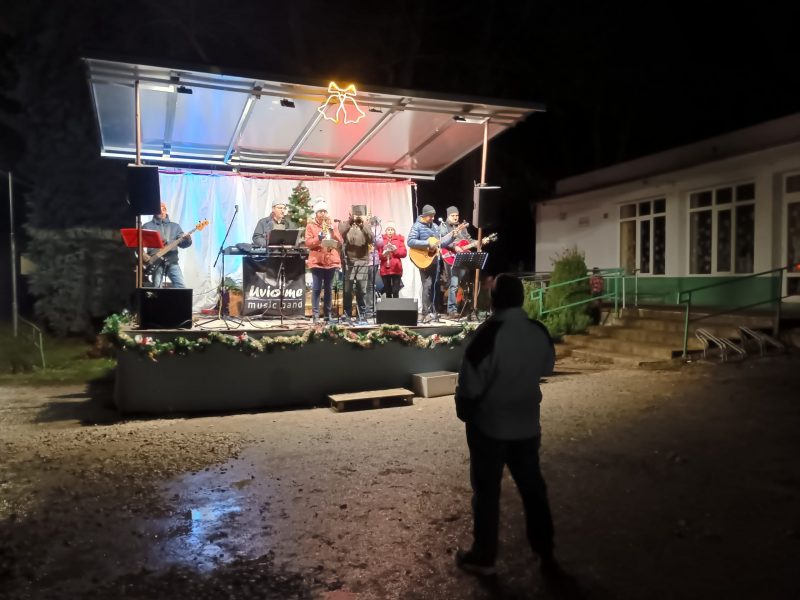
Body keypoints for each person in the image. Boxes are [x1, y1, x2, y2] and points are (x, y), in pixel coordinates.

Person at [454, 274, 562, 581]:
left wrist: (466, 412)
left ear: (494, 300)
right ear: (521, 299)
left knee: (487, 494)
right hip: (527, 426)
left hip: (489, 426)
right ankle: (546, 554)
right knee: (534, 492)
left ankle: (484, 555)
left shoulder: (486, 335)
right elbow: (547, 367)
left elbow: (469, 386)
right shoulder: (537, 331)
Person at [305, 199, 343, 323]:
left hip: (330, 260)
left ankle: (328, 315)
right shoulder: (310, 226)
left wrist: (333, 231)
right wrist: (318, 238)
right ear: (316, 213)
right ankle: (315, 315)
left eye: (324, 211)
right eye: (320, 211)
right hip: (317, 261)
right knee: (316, 288)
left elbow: (340, 242)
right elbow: (308, 243)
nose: (323, 214)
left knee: (328, 289)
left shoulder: (332, 225)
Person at [142, 203, 192, 288]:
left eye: (164, 209)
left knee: (181, 287)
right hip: (156, 262)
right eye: (159, 210)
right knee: (157, 288)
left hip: (172, 261)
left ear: (166, 211)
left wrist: (188, 239)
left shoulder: (175, 226)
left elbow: (183, 245)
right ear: (154, 211)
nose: (162, 212)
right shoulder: (147, 226)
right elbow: (138, 243)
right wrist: (143, 255)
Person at [338, 205, 374, 324]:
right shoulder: (345, 224)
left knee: (361, 290)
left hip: (362, 261)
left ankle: (361, 315)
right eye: (354, 214)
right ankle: (347, 314)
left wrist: (362, 225)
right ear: (350, 214)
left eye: (359, 214)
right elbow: (342, 233)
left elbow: (371, 239)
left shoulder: (366, 225)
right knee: (347, 290)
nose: (357, 216)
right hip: (349, 261)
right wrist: (350, 221)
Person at [406, 204, 440, 323]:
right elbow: (410, 241)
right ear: (424, 216)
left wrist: (452, 237)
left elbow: (440, 242)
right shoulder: (417, 226)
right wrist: (427, 243)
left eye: (434, 216)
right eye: (430, 216)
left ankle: (433, 311)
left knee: (434, 285)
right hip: (423, 260)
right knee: (427, 285)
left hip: (433, 259)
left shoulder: (435, 226)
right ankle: (425, 312)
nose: (433, 218)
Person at [440, 205, 473, 317]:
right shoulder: (444, 226)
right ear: (448, 216)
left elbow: (469, 240)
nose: (455, 217)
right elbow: (442, 241)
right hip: (450, 257)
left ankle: (463, 309)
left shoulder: (462, 227)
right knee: (453, 284)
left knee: (463, 284)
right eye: (453, 215)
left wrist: (479, 242)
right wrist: (454, 247)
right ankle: (452, 310)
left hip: (462, 257)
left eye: (457, 215)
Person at [376, 221, 407, 298]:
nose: (390, 231)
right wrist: (383, 255)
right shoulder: (381, 240)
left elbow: (404, 253)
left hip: (396, 269)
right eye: (388, 229)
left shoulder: (399, 240)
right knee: (388, 291)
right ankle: (389, 305)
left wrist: (396, 251)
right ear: (385, 231)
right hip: (385, 269)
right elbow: (377, 255)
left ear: (394, 231)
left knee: (395, 291)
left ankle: (396, 306)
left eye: (392, 230)